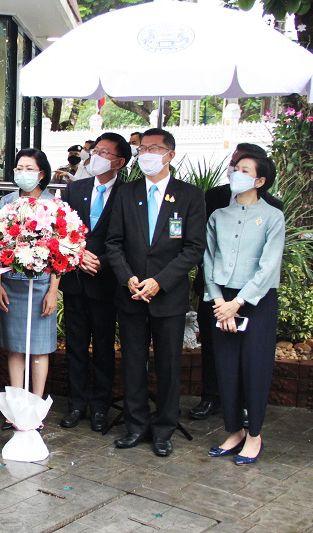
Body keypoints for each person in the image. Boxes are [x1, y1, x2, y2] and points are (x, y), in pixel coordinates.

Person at [106, 128, 205, 457]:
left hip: (168, 296)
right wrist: (128, 278)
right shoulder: (126, 192)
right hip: (132, 294)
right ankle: (136, 425)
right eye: (143, 148)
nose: (146, 153)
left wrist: (160, 281)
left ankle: (163, 429)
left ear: (170, 155)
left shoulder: (189, 196)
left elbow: (192, 249)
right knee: (133, 363)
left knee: (168, 365)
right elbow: (113, 243)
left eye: (154, 148)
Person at [189, 143, 283, 424]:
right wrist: (218, 300)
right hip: (218, 297)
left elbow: (269, 264)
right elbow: (208, 256)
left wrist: (238, 303)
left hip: (254, 298)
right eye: (235, 167)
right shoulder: (217, 209)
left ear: (260, 180)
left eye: (244, 169)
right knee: (221, 360)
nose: (235, 173)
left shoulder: (273, 213)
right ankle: (224, 417)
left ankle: (251, 425)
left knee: (254, 362)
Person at [60, 133, 130, 432]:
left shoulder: (128, 194)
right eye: (95, 150)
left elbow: (131, 236)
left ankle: (100, 405)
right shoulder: (75, 190)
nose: (96, 156)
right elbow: (62, 230)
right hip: (76, 279)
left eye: (104, 152)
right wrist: (79, 255)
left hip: (107, 281)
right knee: (75, 345)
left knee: (102, 346)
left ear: (119, 162)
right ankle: (77, 403)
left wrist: (102, 259)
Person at [0, 149, 60, 430]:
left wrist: (53, 290)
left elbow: (61, 252)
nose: (22, 172)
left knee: (39, 349)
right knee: (15, 348)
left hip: (42, 283)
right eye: (19, 167)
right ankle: (15, 408)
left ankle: (35, 408)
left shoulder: (54, 204)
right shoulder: (6, 201)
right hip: (11, 283)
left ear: (41, 173)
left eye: (29, 168)